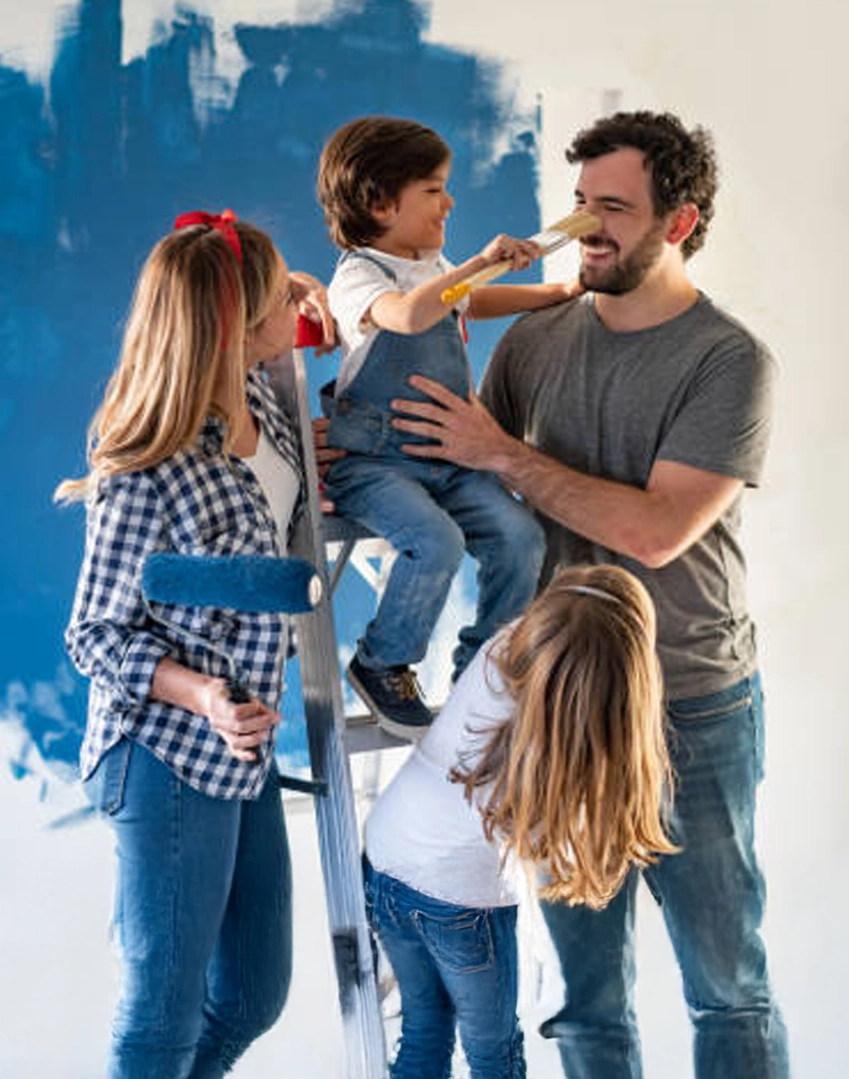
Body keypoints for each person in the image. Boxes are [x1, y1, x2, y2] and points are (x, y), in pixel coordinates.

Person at [389, 111, 790, 1079]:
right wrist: (352, 460)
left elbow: (656, 530)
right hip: (560, 704)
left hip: (691, 703)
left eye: (613, 208)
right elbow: (470, 472)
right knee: (584, 1004)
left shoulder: (729, 360)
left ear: (680, 222)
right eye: (578, 203)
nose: (583, 227)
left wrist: (502, 453)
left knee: (726, 986)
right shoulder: (536, 340)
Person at [56, 210, 333, 1079]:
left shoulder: (258, 399)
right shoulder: (147, 466)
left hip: (241, 744)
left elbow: (293, 309)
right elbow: (93, 634)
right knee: (161, 1013)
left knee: (253, 993)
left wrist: (315, 300)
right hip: (165, 750)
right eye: (273, 302)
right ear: (230, 327)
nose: (286, 309)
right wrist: (205, 695)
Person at [317, 114, 578, 738]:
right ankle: (383, 662)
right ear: (380, 204)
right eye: (433, 190)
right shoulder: (360, 277)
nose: (449, 202)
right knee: (436, 542)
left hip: (449, 456)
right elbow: (408, 317)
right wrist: (477, 265)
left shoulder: (432, 263)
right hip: (376, 462)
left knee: (520, 537)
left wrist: (551, 292)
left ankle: (487, 669)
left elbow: (470, 300)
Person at [363, 562, 677, 1079]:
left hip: (385, 857)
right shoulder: (569, 731)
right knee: (495, 1057)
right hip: (461, 898)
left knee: (425, 1027)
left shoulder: (503, 650)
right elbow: (561, 848)